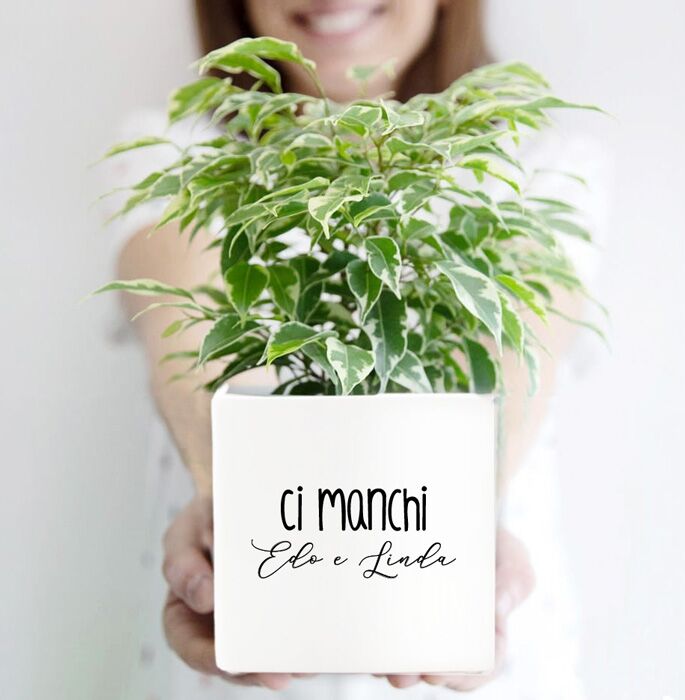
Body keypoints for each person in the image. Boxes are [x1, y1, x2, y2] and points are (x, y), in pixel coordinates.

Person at [108, 0, 608, 696]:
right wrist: (233, 494)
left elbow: (516, 354)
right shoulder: (178, 153)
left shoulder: (530, 161)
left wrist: (455, 514)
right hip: (246, 626)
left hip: (470, 624)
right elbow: (187, 346)